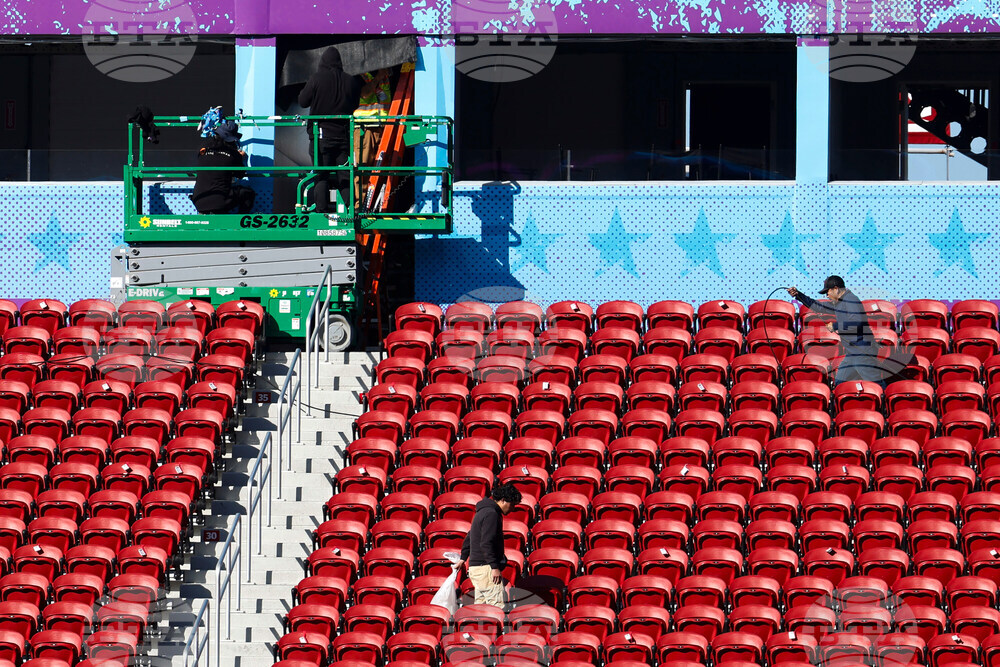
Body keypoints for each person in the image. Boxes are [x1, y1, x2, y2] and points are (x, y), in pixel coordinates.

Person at [787, 275, 886, 386]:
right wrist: (799, 295)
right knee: (840, 383)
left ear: (836, 288)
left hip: (862, 352)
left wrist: (836, 326)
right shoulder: (839, 302)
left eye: (827, 291)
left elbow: (857, 322)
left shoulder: (851, 300)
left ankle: (886, 402)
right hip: (852, 353)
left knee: (876, 384)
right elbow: (818, 306)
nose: (826, 295)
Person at [298, 47, 362, 213]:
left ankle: (322, 211)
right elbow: (355, 104)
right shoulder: (351, 81)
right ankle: (349, 210)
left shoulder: (317, 79)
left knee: (321, 174)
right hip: (344, 136)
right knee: (345, 176)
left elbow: (303, 101)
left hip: (321, 137)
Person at [457, 482, 522, 609]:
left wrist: (463, 558)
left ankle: (480, 629)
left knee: (481, 610)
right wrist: (494, 566)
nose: (513, 508)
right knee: (496, 609)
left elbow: (470, 536)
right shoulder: (492, 514)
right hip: (486, 568)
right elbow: (486, 542)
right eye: (512, 504)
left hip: (476, 568)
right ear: (503, 500)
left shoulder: (482, 512)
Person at [190, 120, 255, 215]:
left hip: (199, 199)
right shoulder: (233, 154)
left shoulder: (203, 147)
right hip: (220, 201)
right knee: (248, 193)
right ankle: (240, 224)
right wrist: (241, 158)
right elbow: (240, 174)